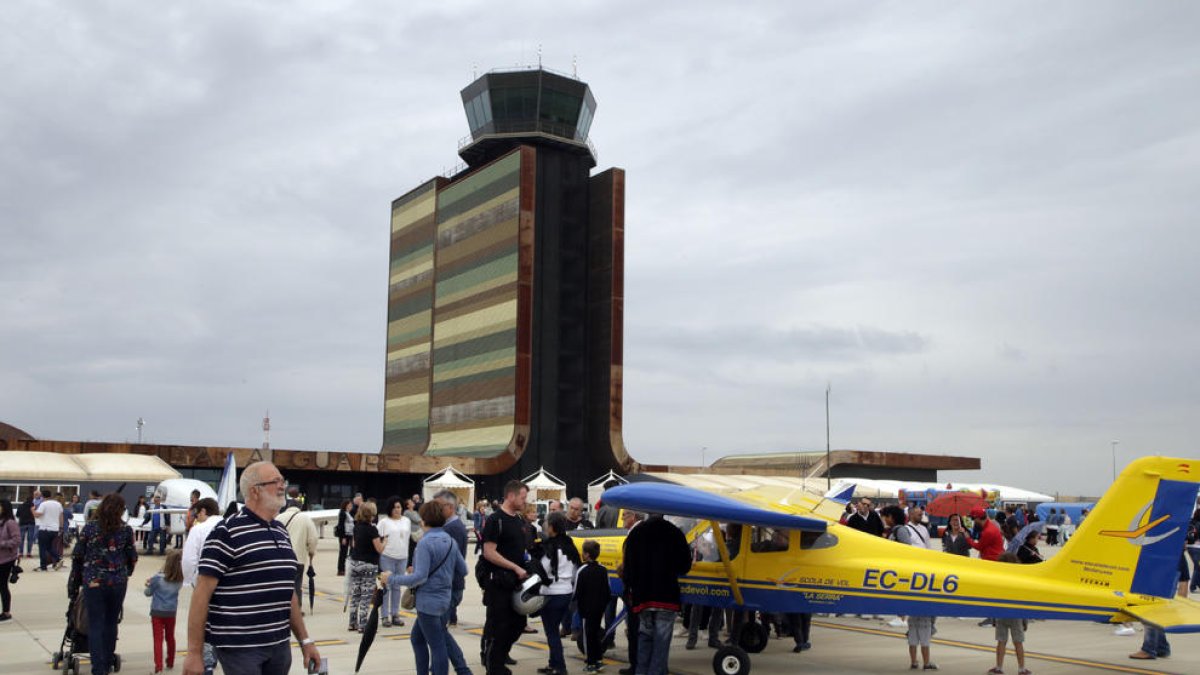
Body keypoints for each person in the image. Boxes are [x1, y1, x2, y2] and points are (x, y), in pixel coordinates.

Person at [182, 461, 321, 675]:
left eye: (282, 480)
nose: (282, 485)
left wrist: (305, 640)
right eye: (275, 481)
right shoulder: (226, 533)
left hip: (279, 646)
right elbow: (201, 595)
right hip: (241, 648)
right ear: (254, 491)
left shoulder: (280, 532)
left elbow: (286, 593)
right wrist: (194, 653)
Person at [382, 500, 470, 675]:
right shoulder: (450, 541)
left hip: (427, 603)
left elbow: (419, 577)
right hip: (444, 600)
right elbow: (463, 570)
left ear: (423, 520)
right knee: (417, 639)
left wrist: (391, 578)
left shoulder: (425, 543)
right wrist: (442, 576)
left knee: (437, 645)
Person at [70, 493, 138, 675]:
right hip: (117, 582)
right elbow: (132, 557)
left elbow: (78, 555)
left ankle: (98, 668)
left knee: (96, 624)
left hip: (94, 581)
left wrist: (76, 581)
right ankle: (107, 662)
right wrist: (125, 572)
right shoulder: (125, 530)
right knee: (111, 622)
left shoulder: (90, 528)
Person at [622, 513, 692, 675]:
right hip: (666, 595)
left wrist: (631, 589)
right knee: (661, 643)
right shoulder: (675, 532)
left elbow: (628, 569)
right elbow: (685, 566)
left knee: (644, 638)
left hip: (643, 597)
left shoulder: (636, 533)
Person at [480, 480, 532, 675]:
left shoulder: (518, 520)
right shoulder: (495, 520)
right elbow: (489, 552)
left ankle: (499, 657)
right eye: (522, 497)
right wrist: (515, 567)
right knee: (498, 626)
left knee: (518, 624)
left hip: (516, 583)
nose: (524, 501)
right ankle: (494, 666)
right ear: (511, 496)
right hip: (499, 583)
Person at [536, 512, 582, 675]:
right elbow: (577, 569)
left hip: (551, 593)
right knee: (554, 630)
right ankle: (553, 663)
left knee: (552, 633)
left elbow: (543, 569)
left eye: (547, 524)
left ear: (552, 527)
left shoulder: (550, 546)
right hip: (567, 592)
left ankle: (560, 667)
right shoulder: (570, 544)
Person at [1129, 551, 1189, 660]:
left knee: (1150, 612)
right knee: (1156, 613)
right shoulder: (1176, 549)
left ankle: (1148, 649)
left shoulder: (1166, 549)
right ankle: (1162, 647)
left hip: (1159, 580)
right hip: (1164, 579)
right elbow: (1184, 578)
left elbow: (1184, 578)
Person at [988, 552, 1029, 675]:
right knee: (1018, 642)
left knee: (1001, 641)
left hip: (1001, 613)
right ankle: (1021, 668)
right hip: (1016, 614)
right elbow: (1023, 600)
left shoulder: (999, 579)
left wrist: (994, 616)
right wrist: (1025, 619)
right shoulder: (1019, 580)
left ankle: (999, 667)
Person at [278, 486, 318, 606]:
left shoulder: (279, 518)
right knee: (296, 584)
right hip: (298, 558)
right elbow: (313, 539)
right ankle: (296, 608)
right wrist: (311, 553)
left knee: (282, 584)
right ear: (299, 507)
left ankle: (282, 606)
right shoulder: (305, 519)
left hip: (281, 558)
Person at [434, 490, 469, 627]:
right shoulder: (449, 526)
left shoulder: (453, 529)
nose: (435, 510)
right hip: (449, 585)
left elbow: (453, 561)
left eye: (439, 506)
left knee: (440, 632)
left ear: (450, 507)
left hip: (450, 585)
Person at [145, 550, 184, 673]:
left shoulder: (157, 578)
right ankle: (170, 661)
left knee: (158, 639)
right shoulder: (179, 579)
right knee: (170, 637)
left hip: (157, 611)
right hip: (171, 611)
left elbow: (148, 593)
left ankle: (159, 666)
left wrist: (148, 584)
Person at [575, 540, 611, 673]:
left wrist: (578, 604)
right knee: (596, 634)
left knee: (588, 636)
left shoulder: (582, 570)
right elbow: (607, 591)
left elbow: (576, 591)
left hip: (586, 609)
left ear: (587, 554)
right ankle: (599, 660)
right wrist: (602, 606)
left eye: (583, 552)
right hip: (599, 609)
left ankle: (591, 662)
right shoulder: (603, 569)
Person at [349, 500, 385, 632]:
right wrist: (384, 541)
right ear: (372, 514)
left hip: (355, 562)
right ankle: (363, 624)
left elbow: (353, 545)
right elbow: (379, 549)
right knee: (366, 595)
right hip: (369, 564)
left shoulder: (356, 527)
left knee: (356, 593)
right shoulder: (372, 529)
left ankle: (352, 622)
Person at [378, 496, 412, 628]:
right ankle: (385, 615)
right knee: (386, 586)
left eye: (399, 507)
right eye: (395, 507)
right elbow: (378, 539)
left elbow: (410, 540)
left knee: (397, 587)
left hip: (402, 557)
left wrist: (410, 561)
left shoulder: (407, 521)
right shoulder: (384, 522)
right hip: (387, 556)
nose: (397, 510)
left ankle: (395, 614)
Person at [33, 488, 64, 571]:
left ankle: (43, 566)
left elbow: (37, 515)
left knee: (42, 548)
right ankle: (58, 558)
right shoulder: (58, 504)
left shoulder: (43, 504)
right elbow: (61, 516)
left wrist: (33, 511)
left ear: (42, 496)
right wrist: (61, 527)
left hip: (44, 528)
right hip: (55, 529)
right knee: (49, 547)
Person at [0, 499, 19, 621]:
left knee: (2, 585)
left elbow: (17, 540)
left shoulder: (10, 523)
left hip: (6, 560)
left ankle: (6, 612)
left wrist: (2, 543)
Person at [336, 499, 354, 576]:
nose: (351, 506)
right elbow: (341, 525)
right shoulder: (342, 513)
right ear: (346, 505)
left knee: (349, 552)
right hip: (344, 535)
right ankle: (341, 570)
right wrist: (343, 537)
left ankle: (346, 568)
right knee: (343, 552)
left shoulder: (348, 513)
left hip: (350, 535)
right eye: (350, 505)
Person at [17, 495, 36, 560]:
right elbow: (35, 514)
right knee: (30, 539)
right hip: (31, 524)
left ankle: (20, 553)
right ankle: (28, 553)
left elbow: (17, 515)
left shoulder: (20, 506)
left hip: (22, 523)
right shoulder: (33, 506)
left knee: (21, 539)